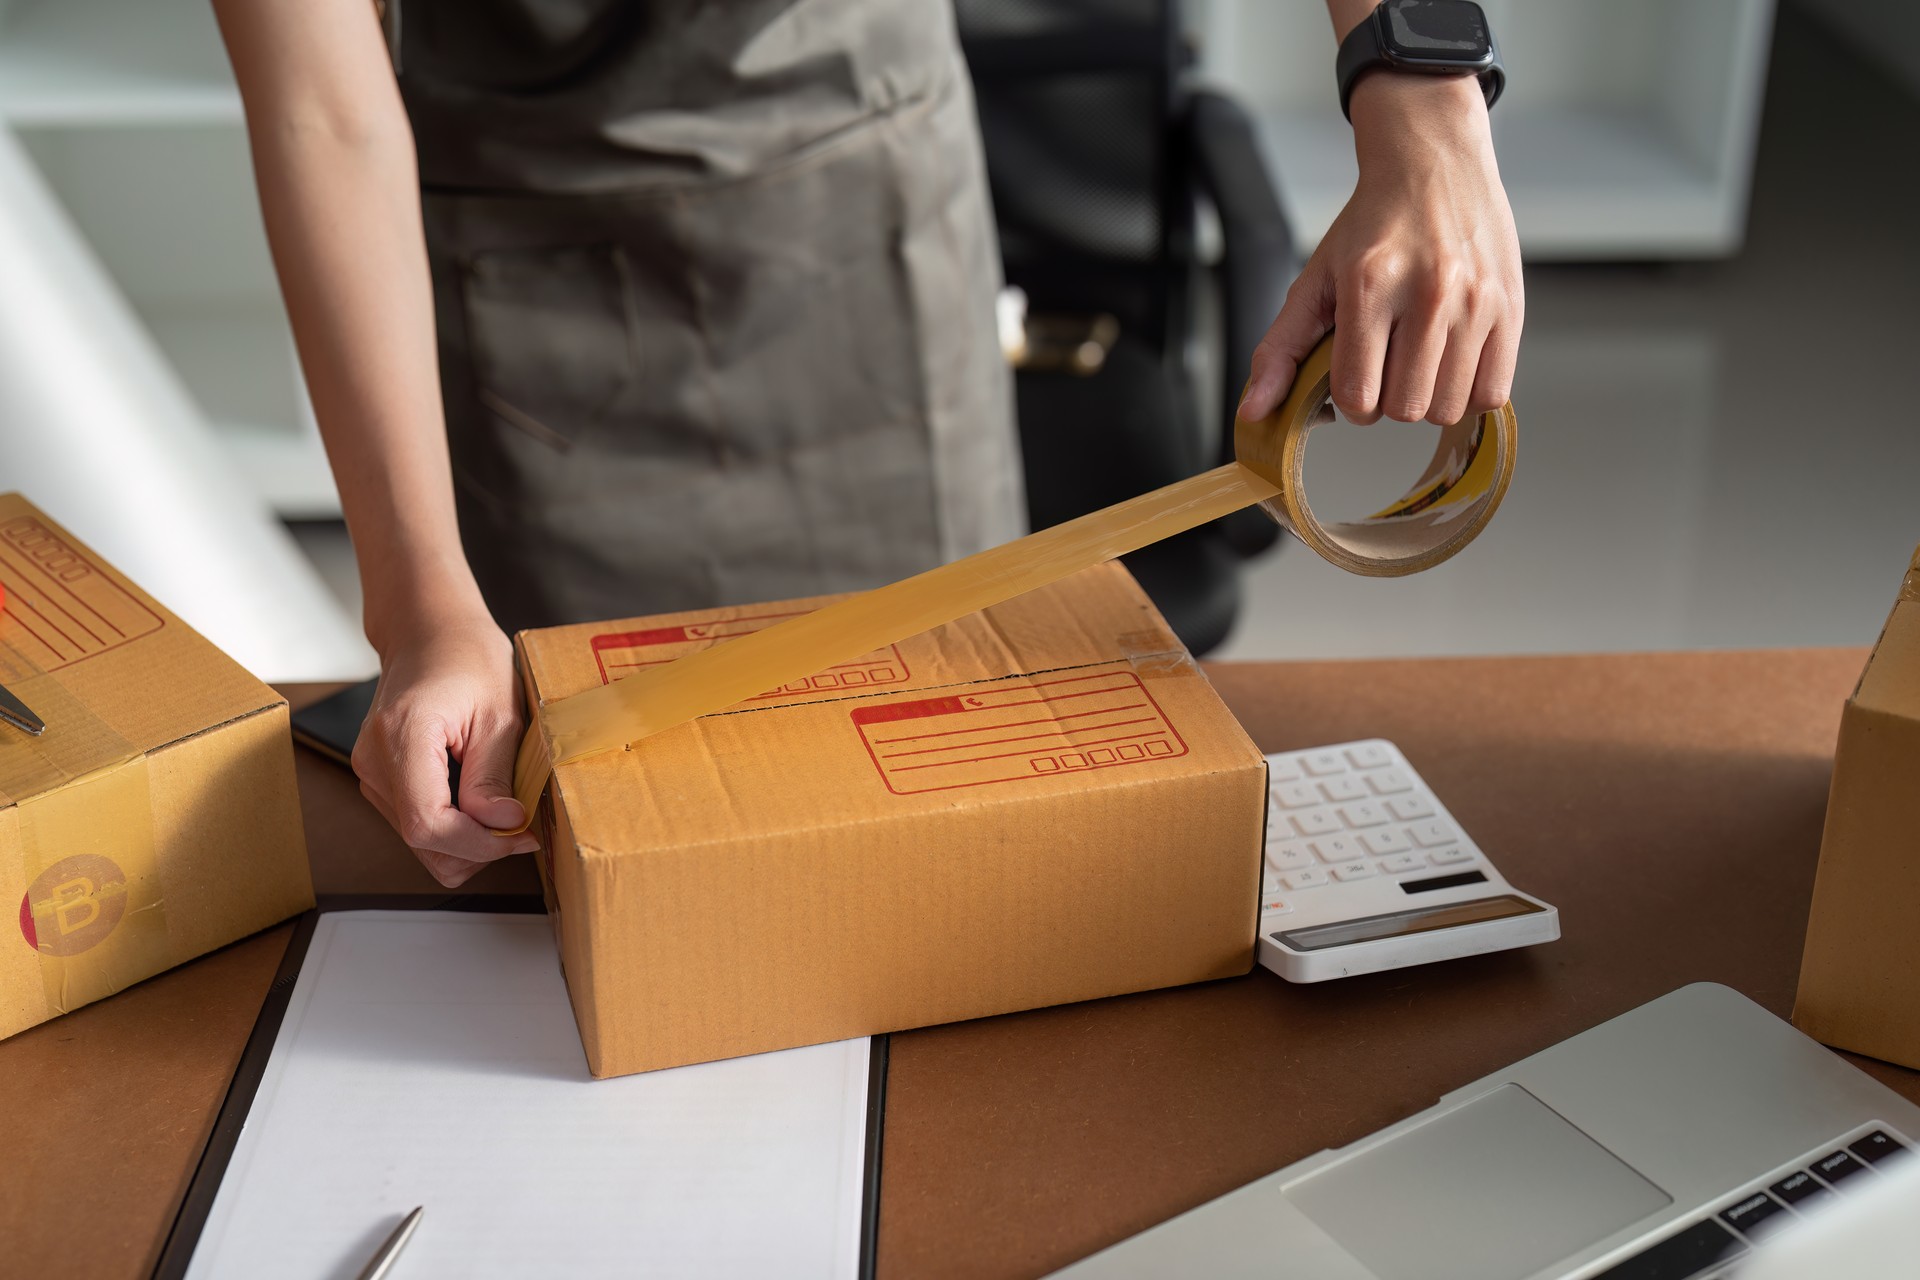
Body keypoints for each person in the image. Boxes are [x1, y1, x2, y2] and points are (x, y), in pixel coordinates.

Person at [211, 0, 1522, 888]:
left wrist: (1421, 93)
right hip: (533, 294)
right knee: (622, 852)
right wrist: (423, 610)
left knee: (937, 816)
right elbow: (323, 108)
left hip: (870, 230)